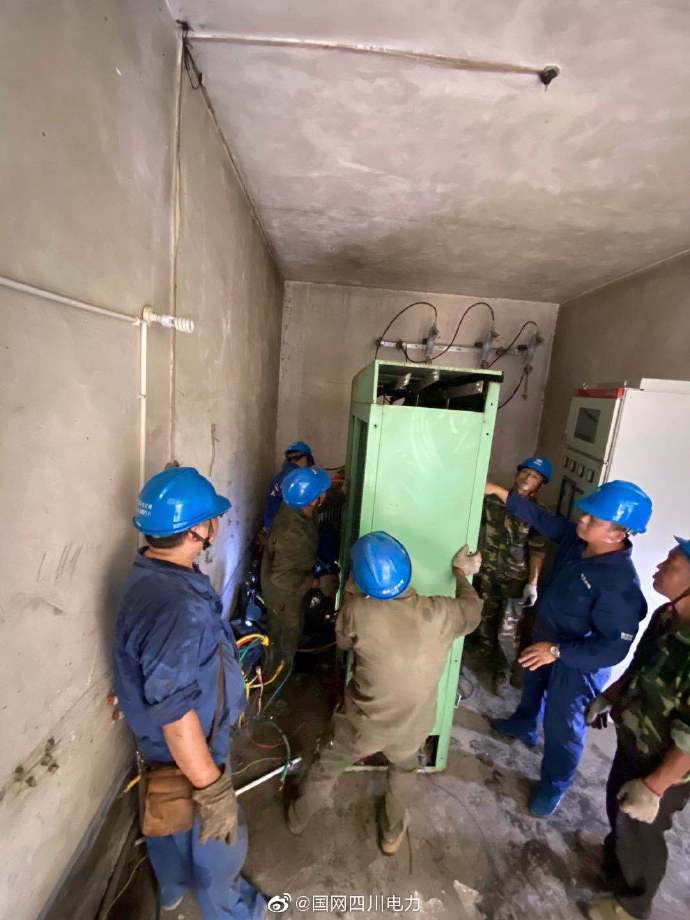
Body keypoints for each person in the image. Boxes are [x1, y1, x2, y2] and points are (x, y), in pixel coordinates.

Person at [113, 467, 265, 919]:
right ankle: (233, 909)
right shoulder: (177, 607)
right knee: (217, 846)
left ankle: (172, 886)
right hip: (193, 748)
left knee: (167, 814)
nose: (217, 523)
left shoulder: (151, 573)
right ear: (198, 531)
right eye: (212, 518)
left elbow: (149, 659)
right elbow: (177, 717)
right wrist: (213, 790)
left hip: (158, 747)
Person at [286, 532, 482, 854]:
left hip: (362, 727)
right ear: (406, 566)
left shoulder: (357, 613)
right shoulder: (443, 613)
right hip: (413, 725)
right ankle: (391, 837)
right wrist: (461, 573)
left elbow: (343, 643)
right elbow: (472, 612)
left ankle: (297, 819)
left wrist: (351, 593)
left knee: (327, 766)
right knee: (404, 769)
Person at [486, 479, 652, 817]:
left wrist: (556, 652)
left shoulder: (620, 586)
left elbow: (613, 650)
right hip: (546, 638)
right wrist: (500, 493)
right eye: (585, 513)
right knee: (532, 685)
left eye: (594, 519)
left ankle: (555, 784)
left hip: (578, 662)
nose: (583, 520)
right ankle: (525, 724)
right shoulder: (578, 540)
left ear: (617, 534)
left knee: (563, 724)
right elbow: (543, 520)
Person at [585, 536, 690, 920]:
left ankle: (632, 905)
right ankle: (616, 863)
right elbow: (639, 666)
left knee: (641, 826)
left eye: (671, 564)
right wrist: (609, 696)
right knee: (618, 804)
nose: (659, 567)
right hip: (635, 737)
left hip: (667, 763)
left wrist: (656, 787)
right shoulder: (666, 616)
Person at [473, 455, 550, 694]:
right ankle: (483, 655)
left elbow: (537, 551)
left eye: (535, 476)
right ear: (517, 474)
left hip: (516, 578)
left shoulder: (538, 513)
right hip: (489, 571)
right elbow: (474, 524)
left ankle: (503, 671)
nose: (528, 478)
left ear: (540, 484)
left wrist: (532, 583)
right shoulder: (493, 500)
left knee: (507, 631)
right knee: (484, 617)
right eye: (525, 472)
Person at [260, 465, 331, 668]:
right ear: (313, 500)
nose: (325, 494)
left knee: (294, 629)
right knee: (284, 640)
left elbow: (322, 503)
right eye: (322, 492)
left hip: (295, 583)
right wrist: (317, 583)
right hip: (283, 595)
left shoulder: (299, 506)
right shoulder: (291, 534)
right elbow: (281, 578)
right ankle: (275, 680)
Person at [262, 440, 314, 532]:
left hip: (271, 524)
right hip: (282, 529)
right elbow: (304, 509)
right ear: (304, 458)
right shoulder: (296, 479)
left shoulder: (281, 475)